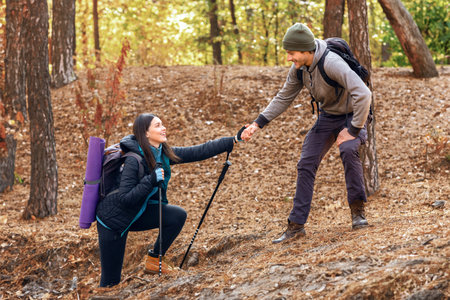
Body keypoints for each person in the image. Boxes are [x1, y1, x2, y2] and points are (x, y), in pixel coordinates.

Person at [241, 23, 372, 244]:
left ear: (305, 50)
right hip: (328, 116)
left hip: (352, 115)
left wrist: (352, 130)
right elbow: (284, 96)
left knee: (349, 150)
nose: (288, 58)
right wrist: (258, 123)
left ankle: (358, 212)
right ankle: (296, 226)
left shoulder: (331, 63)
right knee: (306, 162)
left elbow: (363, 93)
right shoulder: (300, 69)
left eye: (291, 53)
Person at [95, 113, 240, 287]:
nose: (163, 128)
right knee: (111, 282)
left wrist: (233, 140)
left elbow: (198, 151)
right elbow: (126, 199)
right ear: (145, 133)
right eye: (158, 125)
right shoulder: (134, 160)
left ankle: (155, 260)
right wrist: (150, 180)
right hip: (113, 221)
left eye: (162, 124)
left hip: (137, 212)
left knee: (176, 216)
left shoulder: (161, 153)